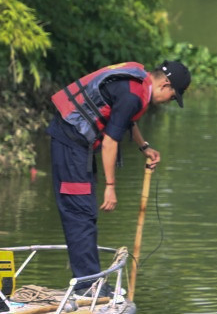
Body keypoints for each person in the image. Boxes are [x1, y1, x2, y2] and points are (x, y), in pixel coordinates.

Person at [48, 59, 190, 285]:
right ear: (165, 85)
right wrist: (111, 188)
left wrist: (144, 147)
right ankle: (87, 286)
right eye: (173, 97)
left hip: (75, 145)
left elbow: (126, 121)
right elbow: (110, 141)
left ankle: (90, 281)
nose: (169, 102)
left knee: (85, 212)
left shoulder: (138, 82)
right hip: (70, 145)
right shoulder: (133, 95)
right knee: (80, 212)